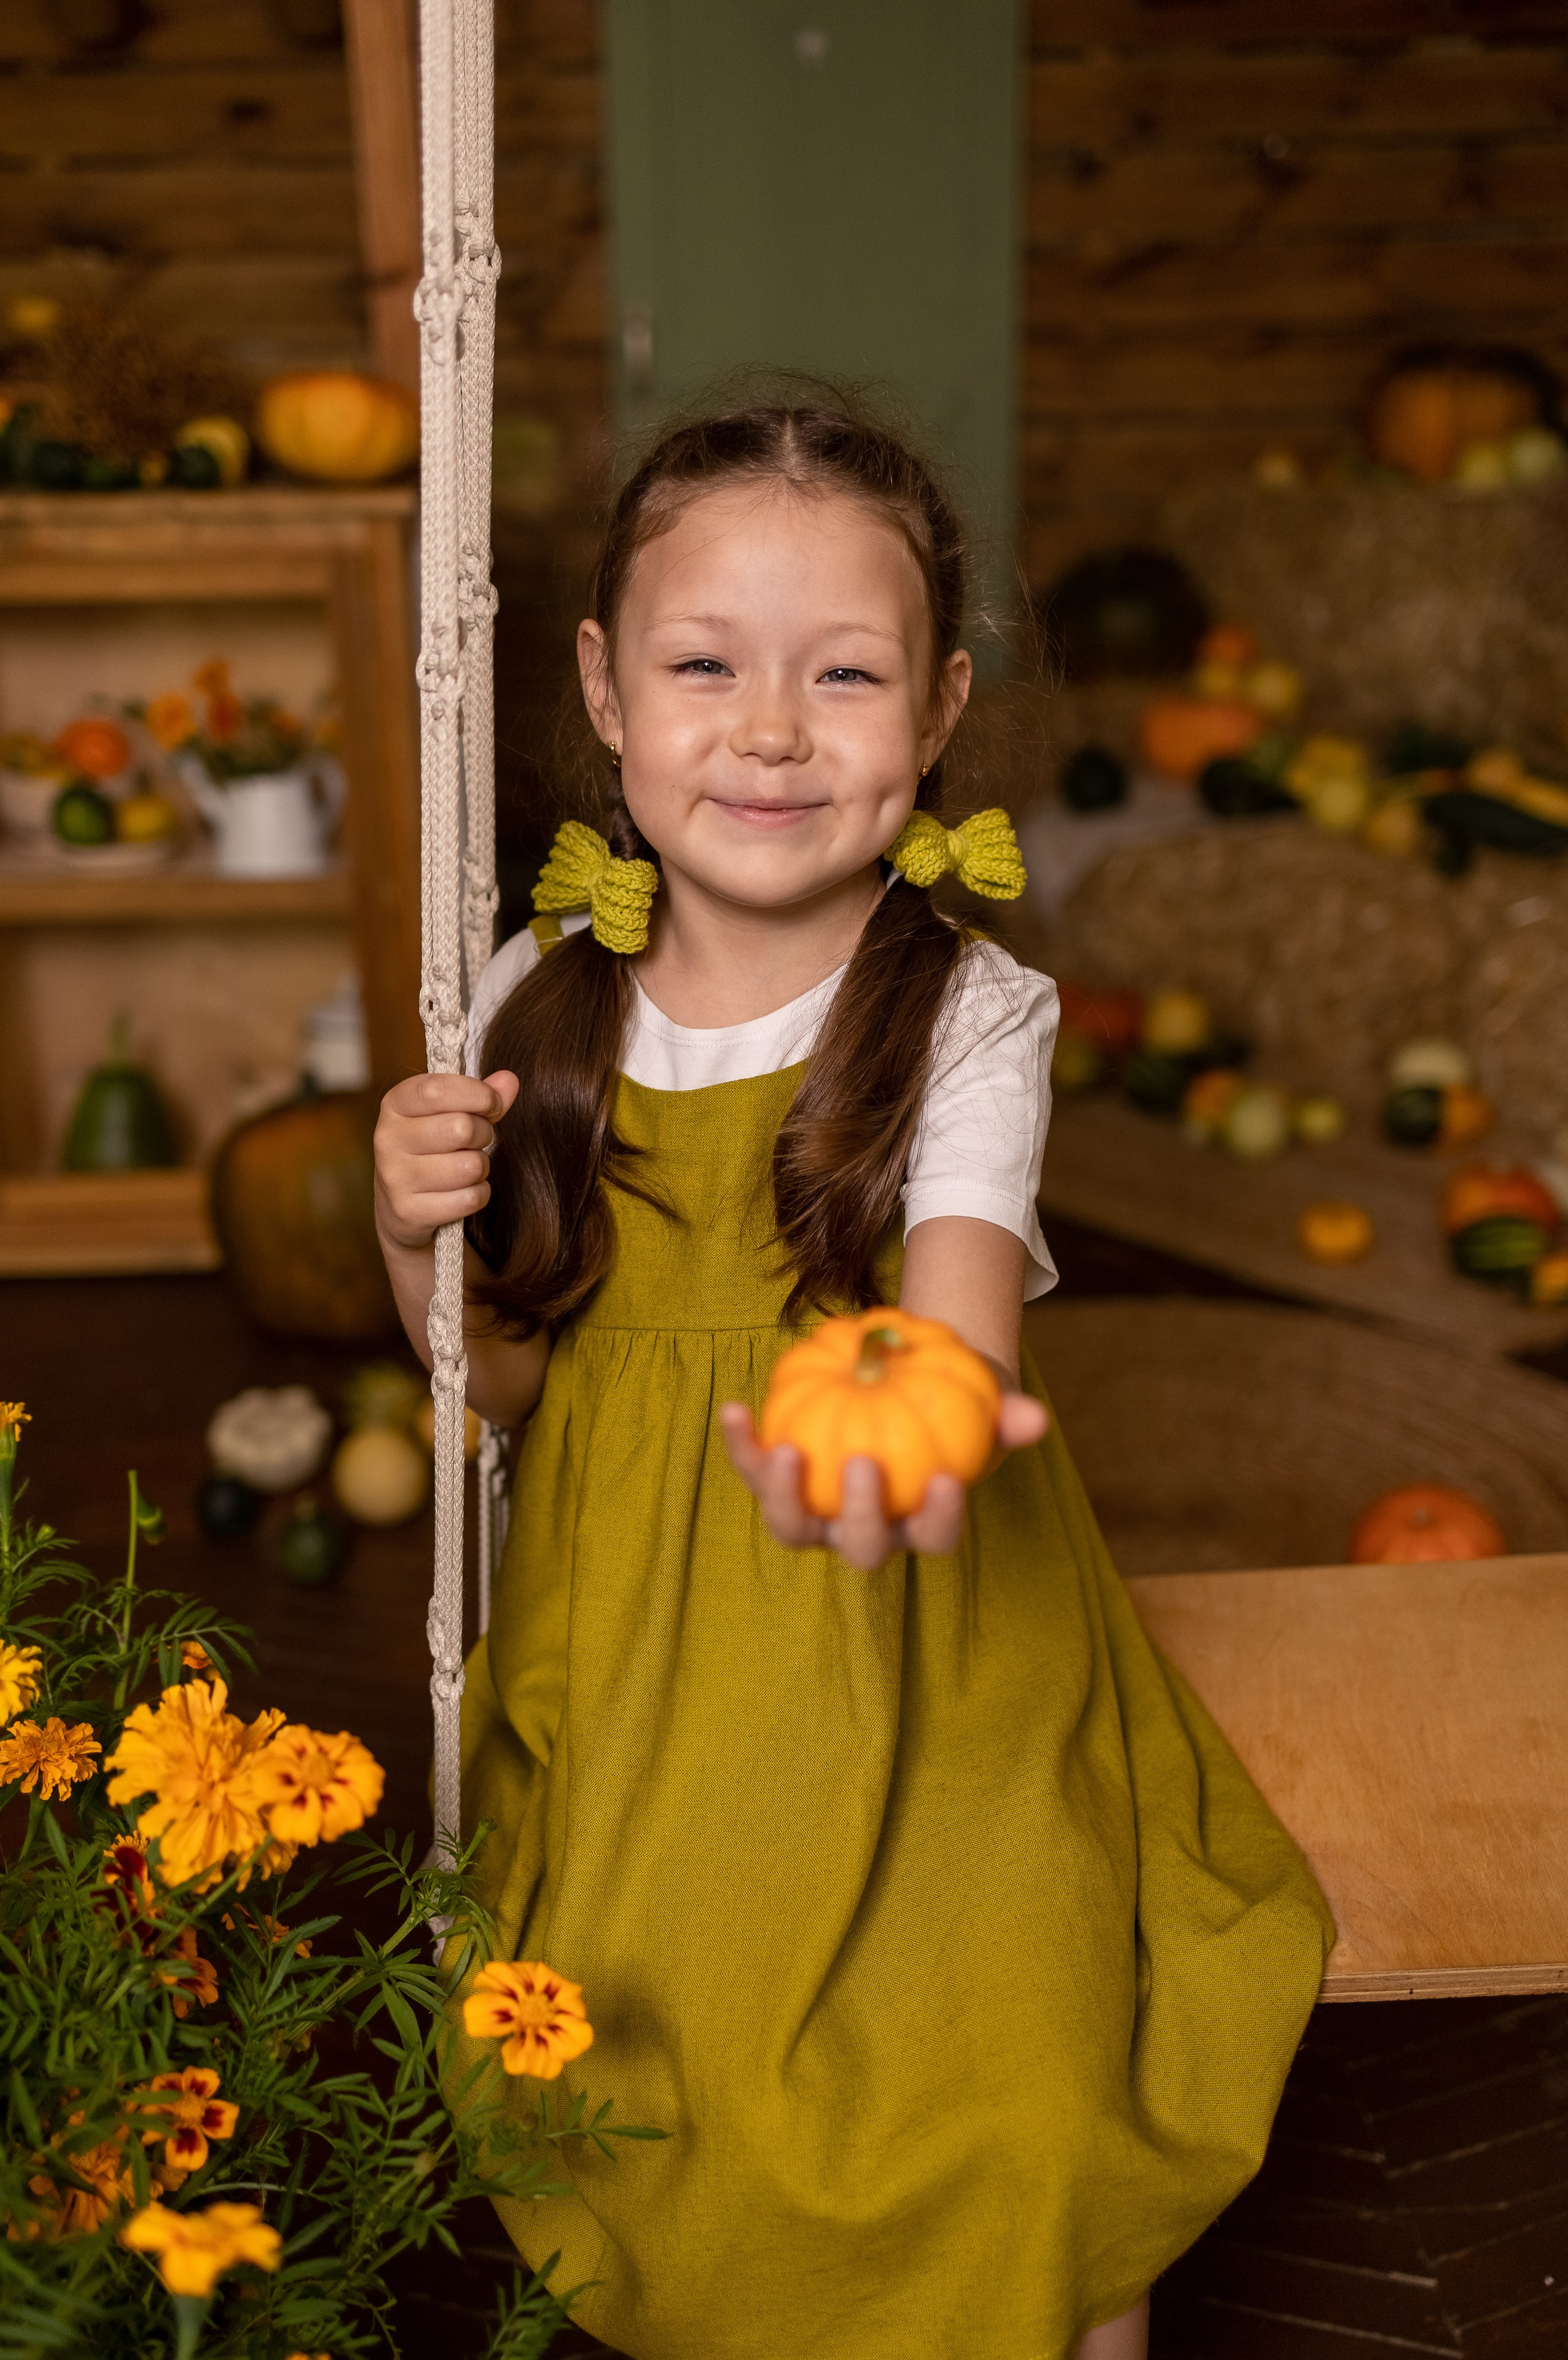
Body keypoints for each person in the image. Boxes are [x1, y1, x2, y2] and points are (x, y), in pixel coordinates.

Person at [372, 396, 1333, 2360]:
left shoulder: (969, 1009)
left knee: (1011, 2089)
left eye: (849, 673)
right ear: (606, 691)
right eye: (705, 663)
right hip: (642, 1649)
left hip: (924, 1629)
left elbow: (956, 1319)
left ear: (942, 705)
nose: (774, 727)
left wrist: (922, 1429)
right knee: (677, 2102)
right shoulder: (530, 990)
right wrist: (415, 1236)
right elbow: (496, 1382)